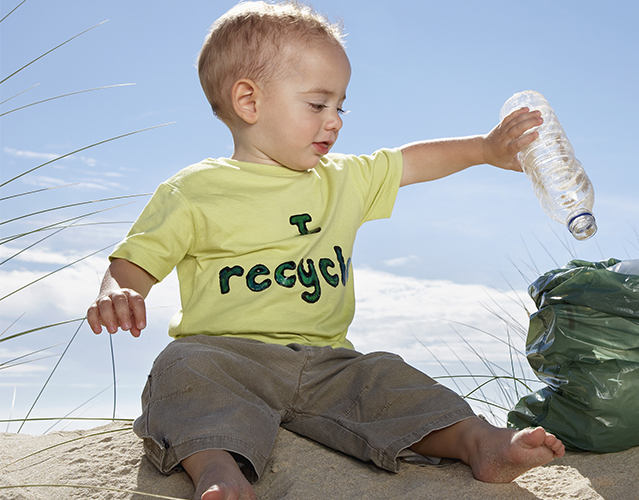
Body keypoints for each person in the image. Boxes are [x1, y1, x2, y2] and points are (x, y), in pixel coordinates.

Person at [86, 1, 564, 499]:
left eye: (341, 106)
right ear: (249, 101)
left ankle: (478, 441)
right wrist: (117, 291)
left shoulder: (343, 180)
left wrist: (484, 150)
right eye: (317, 105)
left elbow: (409, 162)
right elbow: (135, 260)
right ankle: (216, 469)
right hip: (230, 359)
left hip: (330, 364)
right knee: (180, 368)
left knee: (386, 377)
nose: (334, 121)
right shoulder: (195, 189)